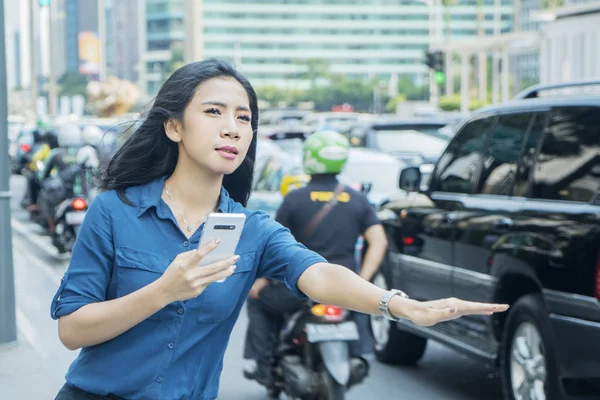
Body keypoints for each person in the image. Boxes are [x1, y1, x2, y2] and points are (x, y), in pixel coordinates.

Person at [50, 59, 509, 400]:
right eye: (214, 112)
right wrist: (164, 290)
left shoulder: (252, 230)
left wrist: (401, 307)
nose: (232, 128)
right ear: (174, 126)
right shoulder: (115, 211)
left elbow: (321, 275)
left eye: (244, 117)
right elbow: (72, 329)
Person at [243, 129, 388, 384]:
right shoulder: (358, 199)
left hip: (298, 288)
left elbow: (274, 245)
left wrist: (262, 281)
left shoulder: (295, 199)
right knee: (361, 307)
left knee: (257, 301)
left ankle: (263, 364)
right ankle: (360, 353)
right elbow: (379, 241)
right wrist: (362, 280)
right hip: (344, 289)